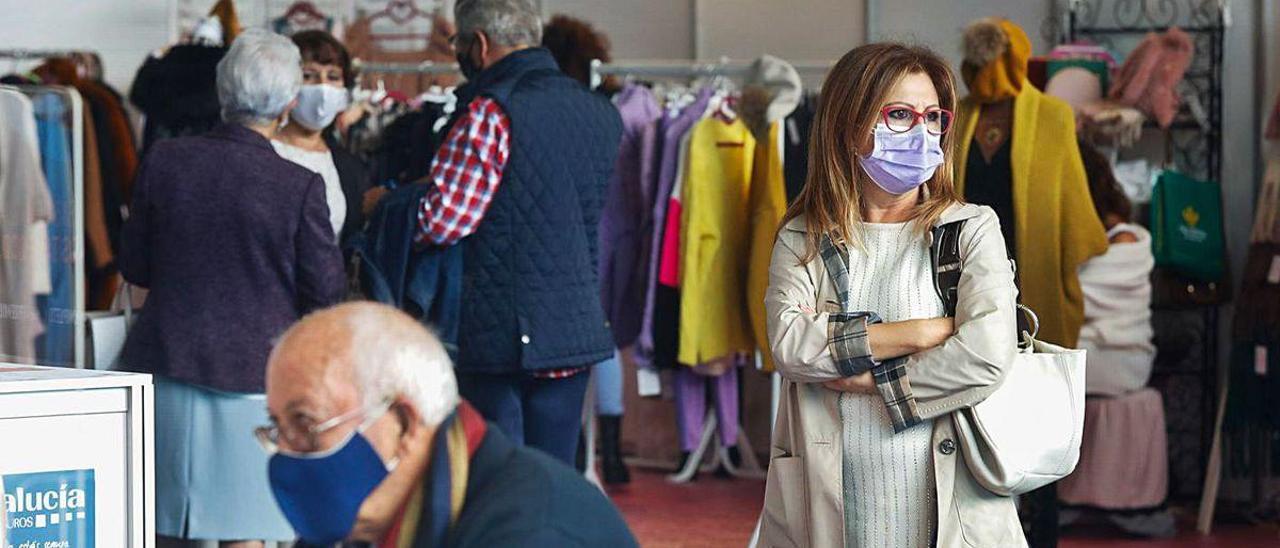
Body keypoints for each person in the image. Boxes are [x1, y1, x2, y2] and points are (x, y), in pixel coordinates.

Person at [760, 43, 1026, 547]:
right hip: (831, 506)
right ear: (849, 123)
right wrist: (921, 333)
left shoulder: (969, 229)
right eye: (899, 115)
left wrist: (872, 384)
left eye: (932, 117)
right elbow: (790, 345)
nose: (922, 133)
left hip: (947, 512)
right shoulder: (803, 236)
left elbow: (988, 356)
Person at [119, 29, 345, 548]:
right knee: (247, 532)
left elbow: (135, 266)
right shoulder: (297, 186)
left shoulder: (165, 162)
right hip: (253, 381)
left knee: (159, 527)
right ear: (288, 104)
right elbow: (325, 297)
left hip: (164, 368)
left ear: (224, 92)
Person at [414, 0, 623, 466]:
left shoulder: (492, 110)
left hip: (503, 335)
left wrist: (395, 204)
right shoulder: (599, 112)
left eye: (459, 44)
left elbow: (443, 221)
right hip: (574, 328)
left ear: (479, 45)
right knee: (553, 480)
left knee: (498, 482)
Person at [262, 302, 639, 547]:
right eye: (278, 429)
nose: (286, 454)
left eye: (306, 425)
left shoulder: (534, 534)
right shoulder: (356, 527)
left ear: (405, 423)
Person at [541, 12, 630, 483]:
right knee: (604, 338)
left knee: (575, 347)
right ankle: (609, 453)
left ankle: (585, 450)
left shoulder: (557, 111)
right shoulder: (608, 108)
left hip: (574, 233)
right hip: (613, 230)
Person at [271, 30, 380, 246]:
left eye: (333, 76)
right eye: (308, 75)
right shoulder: (261, 152)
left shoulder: (350, 167)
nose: (322, 87)